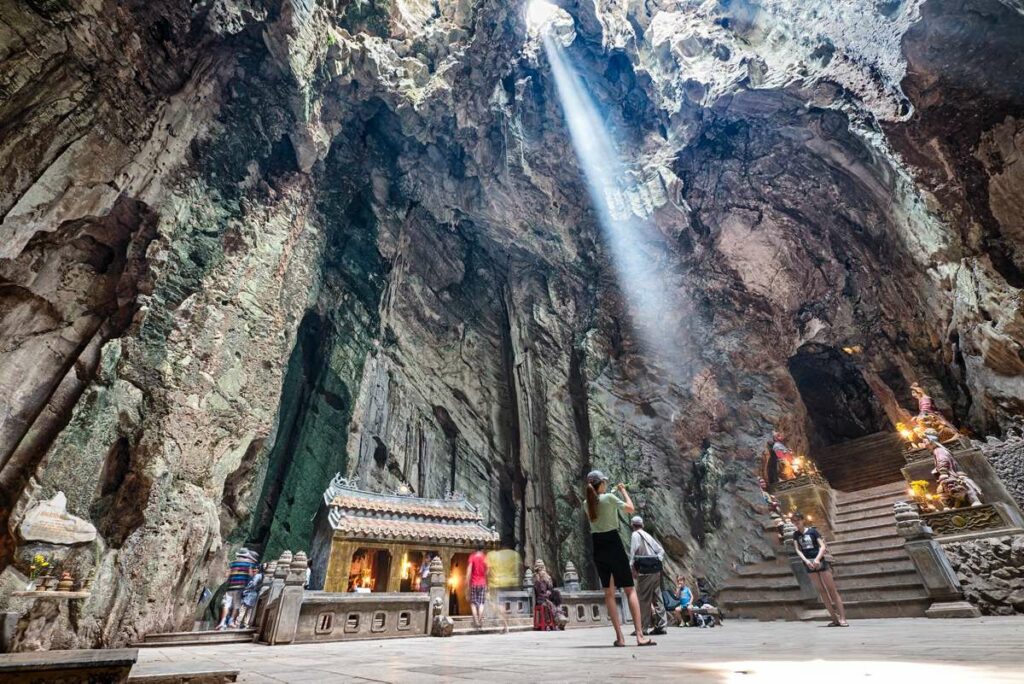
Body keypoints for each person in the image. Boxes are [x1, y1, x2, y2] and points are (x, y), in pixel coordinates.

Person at [585, 470, 656, 647]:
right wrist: (623, 491)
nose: (607, 484)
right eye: (604, 482)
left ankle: (620, 637)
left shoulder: (586, 503)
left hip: (598, 545)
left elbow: (599, 501)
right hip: (613, 544)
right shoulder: (609, 498)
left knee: (608, 592)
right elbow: (630, 508)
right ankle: (640, 635)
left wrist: (611, 494)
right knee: (629, 589)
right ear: (600, 484)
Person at [791, 512, 848, 627]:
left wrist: (817, 559)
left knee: (832, 589)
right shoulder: (796, 535)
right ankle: (834, 618)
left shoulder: (812, 531)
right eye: (794, 521)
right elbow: (798, 550)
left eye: (798, 520)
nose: (796, 522)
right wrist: (806, 561)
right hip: (808, 563)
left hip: (819, 561)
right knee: (822, 591)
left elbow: (822, 546)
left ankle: (842, 618)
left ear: (802, 520)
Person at [628, 516, 667, 636]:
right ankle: (661, 626)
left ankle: (643, 628)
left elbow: (633, 552)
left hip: (645, 572)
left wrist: (632, 568)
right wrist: (655, 560)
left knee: (643, 599)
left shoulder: (635, 535)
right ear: (642, 525)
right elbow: (661, 551)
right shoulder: (647, 535)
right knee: (657, 597)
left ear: (632, 525)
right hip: (655, 571)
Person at [217, 548, 257, 630]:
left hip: (230, 587)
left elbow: (227, 575)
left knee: (226, 605)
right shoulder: (250, 564)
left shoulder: (233, 563)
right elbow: (251, 575)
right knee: (236, 605)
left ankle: (222, 622)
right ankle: (231, 622)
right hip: (241, 588)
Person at [532, 560, 566, 630]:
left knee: (556, 595)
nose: (542, 571)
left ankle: (560, 617)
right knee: (549, 604)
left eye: (542, 568)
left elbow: (550, 589)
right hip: (541, 599)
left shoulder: (547, 578)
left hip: (547, 597)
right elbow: (539, 592)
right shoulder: (536, 579)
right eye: (540, 569)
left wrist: (549, 591)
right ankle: (553, 622)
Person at [466, 543, 488, 629]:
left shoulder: (472, 556)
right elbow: (488, 571)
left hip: (474, 583)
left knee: (473, 603)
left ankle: (476, 621)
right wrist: (487, 583)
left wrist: (467, 582)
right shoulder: (485, 557)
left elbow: (469, 570)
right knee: (481, 603)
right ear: (483, 549)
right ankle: (480, 620)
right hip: (482, 583)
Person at [238, 563, 264, 629]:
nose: (254, 571)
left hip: (250, 594)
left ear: (258, 570)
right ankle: (245, 623)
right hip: (253, 594)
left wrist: (246, 589)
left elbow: (253, 584)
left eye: (255, 569)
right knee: (249, 610)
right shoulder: (261, 576)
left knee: (243, 609)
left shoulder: (258, 576)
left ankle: (238, 622)